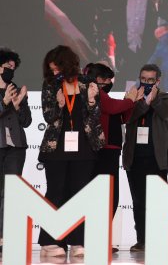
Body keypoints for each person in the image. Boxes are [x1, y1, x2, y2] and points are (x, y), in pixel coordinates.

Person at [38, 45, 104, 258]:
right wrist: (58, 104)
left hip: (83, 147)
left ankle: (77, 241)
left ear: (67, 65)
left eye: (57, 68)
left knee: (79, 194)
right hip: (56, 147)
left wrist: (93, 101)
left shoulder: (86, 84)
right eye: (51, 70)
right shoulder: (49, 86)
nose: (54, 73)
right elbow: (49, 117)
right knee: (55, 191)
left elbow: (94, 118)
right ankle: (50, 241)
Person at [83, 62, 137, 253]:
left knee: (110, 197)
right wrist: (130, 100)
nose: (109, 82)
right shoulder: (94, 93)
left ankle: (100, 238)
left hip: (111, 150)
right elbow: (113, 108)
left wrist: (129, 102)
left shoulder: (104, 95)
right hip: (101, 151)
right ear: (96, 79)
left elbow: (122, 116)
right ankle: (94, 240)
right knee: (104, 197)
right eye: (105, 79)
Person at [123, 64, 168, 253]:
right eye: (143, 79)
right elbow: (128, 117)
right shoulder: (132, 95)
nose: (145, 83)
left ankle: (158, 239)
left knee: (157, 202)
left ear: (158, 81)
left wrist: (153, 101)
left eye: (150, 80)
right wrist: (140, 101)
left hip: (157, 158)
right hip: (135, 158)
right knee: (139, 202)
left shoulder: (164, 97)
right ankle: (142, 240)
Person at [0, 49, 31, 246]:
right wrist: (3, 103)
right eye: (7, 67)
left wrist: (18, 105)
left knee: (10, 192)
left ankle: (5, 236)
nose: (11, 71)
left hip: (16, 149)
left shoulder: (16, 89)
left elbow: (27, 121)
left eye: (13, 68)